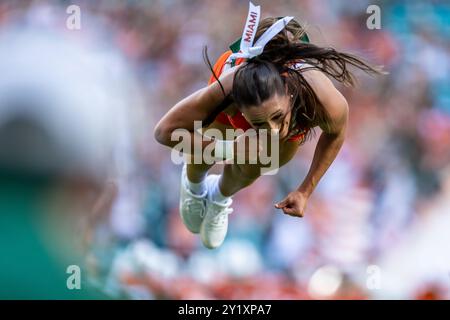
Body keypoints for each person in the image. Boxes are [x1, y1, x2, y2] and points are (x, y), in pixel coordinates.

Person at [154, 4, 382, 249]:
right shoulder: (226, 89)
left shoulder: (323, 98)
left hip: (287, 110)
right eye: (260, 122)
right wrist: (228, 149)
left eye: (277, 116)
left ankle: (219, 197)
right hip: (232, 103)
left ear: (288, 91)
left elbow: (336, 134)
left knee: (262, 159)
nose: (273, 130)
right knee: (212, 141)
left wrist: (305, 191)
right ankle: (194, 184)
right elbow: (164, 131)